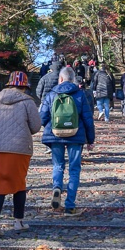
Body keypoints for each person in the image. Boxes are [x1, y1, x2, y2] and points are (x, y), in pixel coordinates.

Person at [0, 71, 42, 238]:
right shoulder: (27, 102)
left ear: (9, 84)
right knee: (18, 183)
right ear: (24, 86)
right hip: (18, 148)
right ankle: (18, 220)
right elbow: (36, 127)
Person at [39, 66, 95, 214]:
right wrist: (90, 139)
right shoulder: (80, 94)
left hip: (55, 135)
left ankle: (57, 188)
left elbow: (42, 117)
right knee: (74, 170)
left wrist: (50, 127)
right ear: (73, 79)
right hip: (75, 135)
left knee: (58, 166)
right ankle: (70, 205)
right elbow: (88, 118)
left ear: (61, 79)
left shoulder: (51, 94)